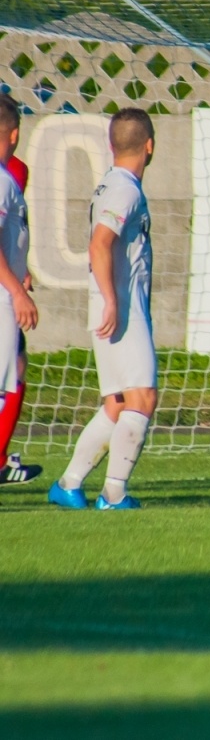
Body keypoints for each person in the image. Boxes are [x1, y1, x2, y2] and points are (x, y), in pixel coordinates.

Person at [49, 109, 158, 511]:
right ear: (149, 146)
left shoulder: (112, 183)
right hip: (120, 308)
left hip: (113, 305)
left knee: (117, 403)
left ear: (112, 146)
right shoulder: (124, 189)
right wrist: (113, 300)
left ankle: (68, 483)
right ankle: (114, 494)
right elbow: (99, 243)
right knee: (142, 397)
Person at [0, 98, 39, 487]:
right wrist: (17, 289)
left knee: (17, 367)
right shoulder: (8, 175)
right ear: (13, 134)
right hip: (1, 298)